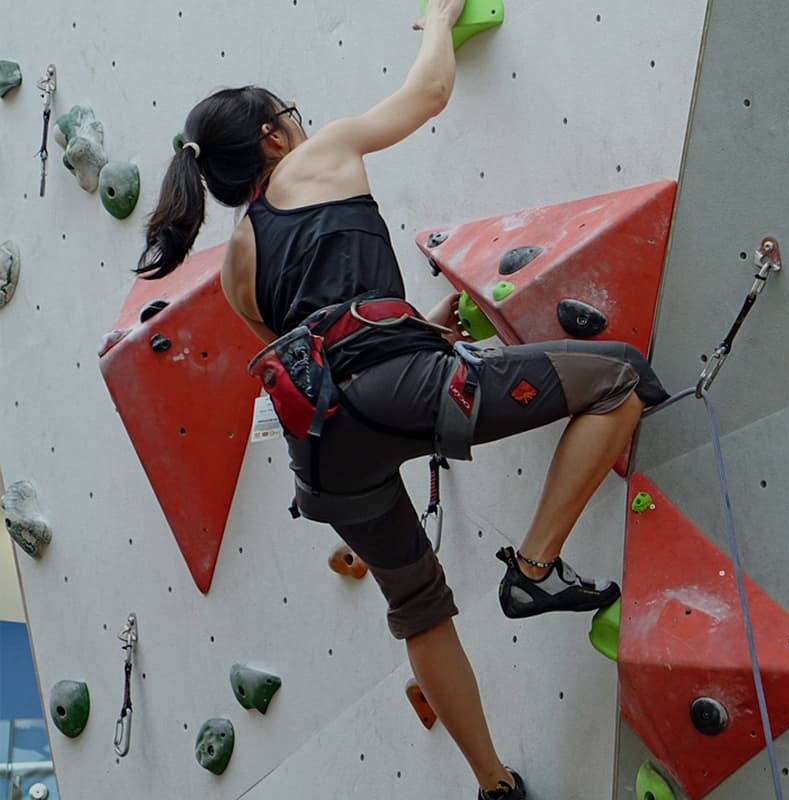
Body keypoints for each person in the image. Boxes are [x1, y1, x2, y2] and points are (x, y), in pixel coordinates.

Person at [135, 2, 668, 797]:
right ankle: (534, 567)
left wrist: (418, 327)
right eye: (293, 116)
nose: (305, 125)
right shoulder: (317, 159)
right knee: (621, 377)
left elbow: (317, 337)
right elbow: (428, 96)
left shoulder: (233, 263)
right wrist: (436, 20)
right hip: (392, 393)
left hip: (325, 454)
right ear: (275, 139)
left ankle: (493, 785)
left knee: (418, 606)